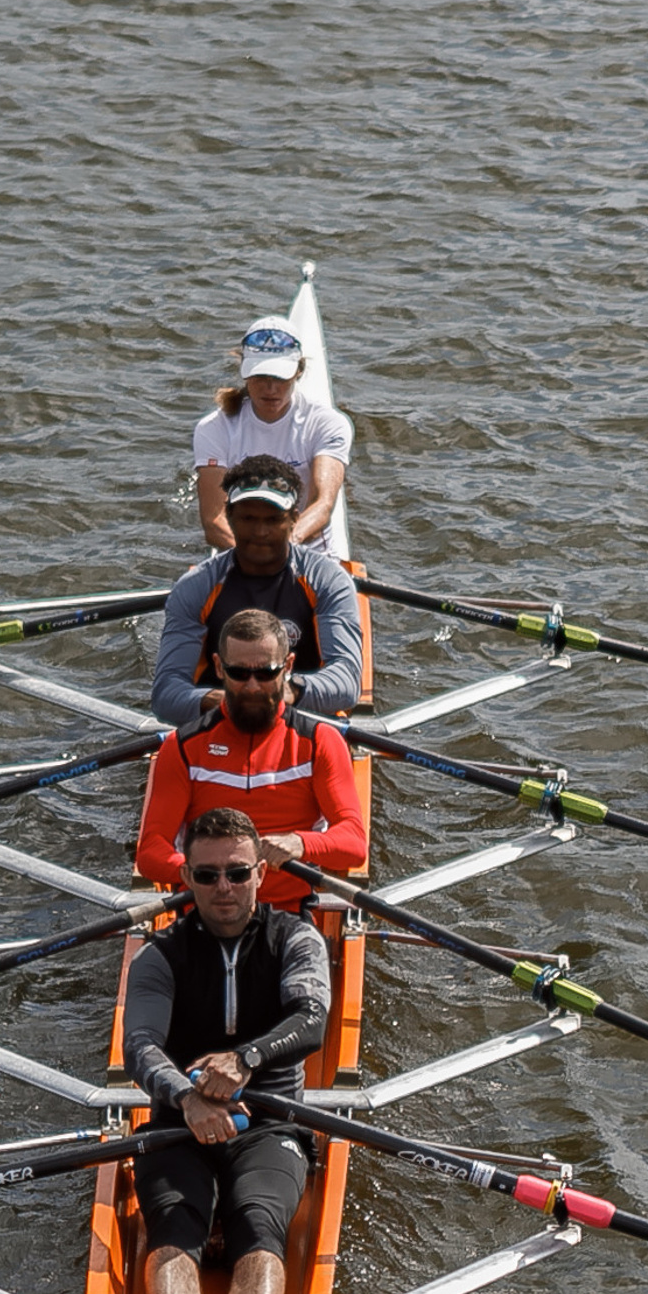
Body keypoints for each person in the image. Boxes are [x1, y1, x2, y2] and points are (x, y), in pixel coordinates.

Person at [122, 805, 329, 1294]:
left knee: (258, 1222)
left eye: (237, 873)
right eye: (207, 875)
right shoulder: (160, 955)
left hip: (269, 1121)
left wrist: (245, 1060)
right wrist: (187, 1098)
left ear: (260, 872)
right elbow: (139, 1046)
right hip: (178, 1122)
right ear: (185, 877)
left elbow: (312, 1021)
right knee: (173, 1223)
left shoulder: (296, 939)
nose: (223, 887)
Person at [136, 607, 366, 913]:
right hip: (205, 914)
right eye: (239, 673)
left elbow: (354, 844)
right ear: (219, 668)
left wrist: (300, 843)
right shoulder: (182, 747)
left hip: (287, 914)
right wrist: (205, 874)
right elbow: (150, 853)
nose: (253, 686)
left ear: (288, 666)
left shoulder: (320, 742)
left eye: (266, 673)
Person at [150, 456, 363, 731]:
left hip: (301, 721)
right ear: (229, 517)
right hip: (219, 722)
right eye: (249, 518)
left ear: (294, 519)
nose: (261, 532)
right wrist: (226, 701)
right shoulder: (196, 587)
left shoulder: (327, 581)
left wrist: (283, 693)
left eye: (273, 520)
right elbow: (166, 692)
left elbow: (347, 682)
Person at [192, 316, 353, 559]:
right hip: (240, 550)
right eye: (261, 377)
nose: (270, 388)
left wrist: (281, 550)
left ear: (298, 371)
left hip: (309, 552)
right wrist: (253, 555)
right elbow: (214, 520)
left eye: (280, 377)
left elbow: (322, 504)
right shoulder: (213, 428)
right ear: (245, 373)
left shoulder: (327, 424)